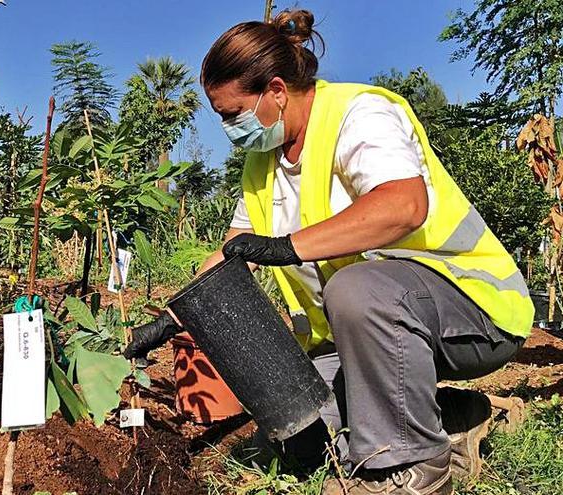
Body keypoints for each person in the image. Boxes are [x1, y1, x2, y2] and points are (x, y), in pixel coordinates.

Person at [124, 10, 533, 495]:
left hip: (475, 313)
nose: (229, 128)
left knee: (356, 286)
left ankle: (415, 469)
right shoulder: (263, 165)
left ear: (276, 90)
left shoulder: (360, 114)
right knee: (298, 428)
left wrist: (287, 248)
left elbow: (404, 204)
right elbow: (232, 255)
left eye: (233, 113)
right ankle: (455, 419)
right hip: (371, 336)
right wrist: (174, 316)